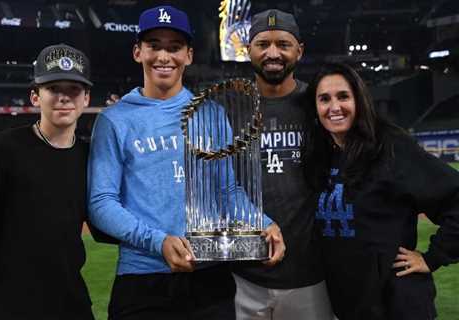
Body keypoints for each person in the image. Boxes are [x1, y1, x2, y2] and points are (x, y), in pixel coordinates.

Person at [87, 5, 285, 320]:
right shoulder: (115, 120)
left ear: (188, 55)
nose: (164, 56)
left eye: (174, 47)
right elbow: (101, 203)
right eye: (154, 45)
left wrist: (264, 223)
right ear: (138, 52)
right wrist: (158, 242)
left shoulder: (210, 114)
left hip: (209, 278)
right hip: (142, 279)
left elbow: (228, 191)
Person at [302, 62, 459, 320]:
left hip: (396, 304)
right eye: (324, 99)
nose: (334, 107)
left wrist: (433, 257)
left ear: (359, 100)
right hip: (350, 306)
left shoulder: (391, 147)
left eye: (343, 96)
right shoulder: (321, 155)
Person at [0, 44, 95, 320]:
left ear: (87, 98)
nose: (64, 98)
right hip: (12, 307)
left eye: (74, 90)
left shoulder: (89, 157)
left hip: (72, 305)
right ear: (35, 96)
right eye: (53, 88)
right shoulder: (2, 149)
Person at [232, 9, 334, 320]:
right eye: (263, 44)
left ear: (299, 51)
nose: (273, 53)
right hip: (241, 275)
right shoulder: (226, 103)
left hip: (311, 275)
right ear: (248, 49)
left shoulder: (319, 104)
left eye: (283, 44)